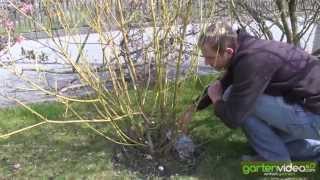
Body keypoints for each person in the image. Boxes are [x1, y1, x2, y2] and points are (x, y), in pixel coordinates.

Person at [195, 21, 320, 161]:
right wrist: (194, 107)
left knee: (234, 99)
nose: (206, 63)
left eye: (210, 57)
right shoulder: (245, 48)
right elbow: (226, 81)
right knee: (274, 140)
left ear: (228, 52)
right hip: (310, 109)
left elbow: (233, 118)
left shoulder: (251, 61)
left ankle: (277, 162)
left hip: (313, 115)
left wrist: (217, 100)